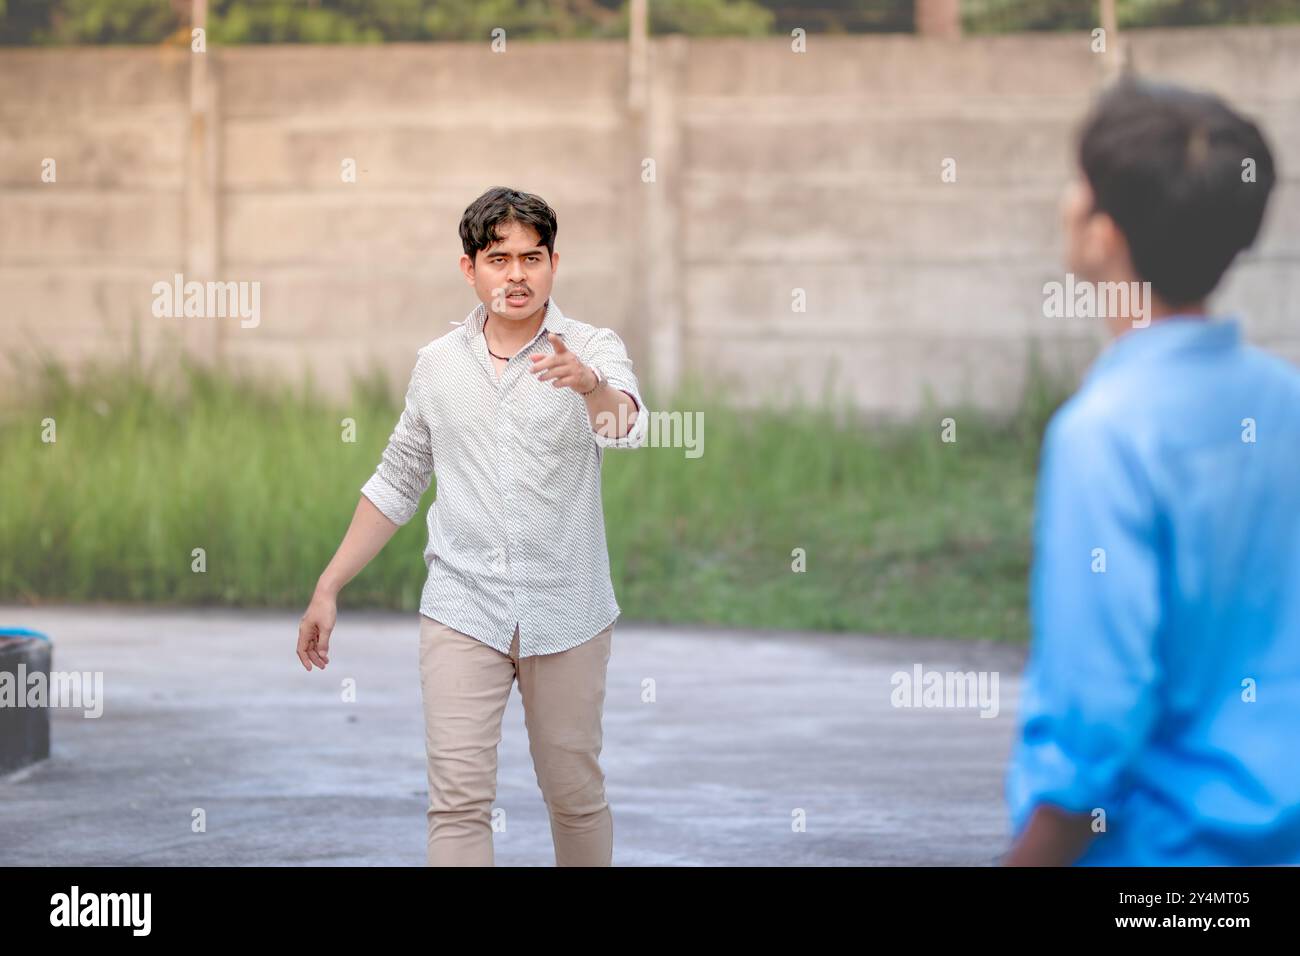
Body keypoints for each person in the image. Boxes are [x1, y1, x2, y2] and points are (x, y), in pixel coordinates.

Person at [295, 186, 648, 866]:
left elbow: (625, 425)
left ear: (553, 263)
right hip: (463, 609)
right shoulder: (438, 365)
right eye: (498, 259)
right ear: (470, 269)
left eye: (532, 258)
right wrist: (328, 586)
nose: (516, 275)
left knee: (573, 794)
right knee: (456, 802)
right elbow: (398, 478)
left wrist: (589, 384)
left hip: (568, 610)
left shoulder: (592, 347)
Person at [1004, 79, 1300, 865]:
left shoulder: (1102, 435)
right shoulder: (1288, 404)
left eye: (1080, 184)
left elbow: (1095, 718)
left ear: (1103, 236)